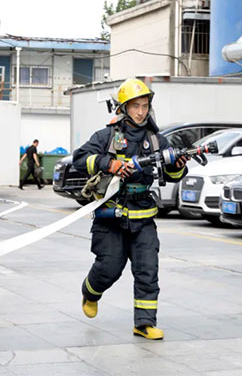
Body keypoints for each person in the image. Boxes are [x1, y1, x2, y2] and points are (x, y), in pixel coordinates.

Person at [72, 78, 188, 340]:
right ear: (124, 108)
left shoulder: (156, 140)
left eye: (144, 106)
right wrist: (109, 164)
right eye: (135, 106)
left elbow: (174, 174)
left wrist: (177, 165)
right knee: (109, 267)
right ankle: (90, 292)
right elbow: (79, 159)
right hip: (111, 216)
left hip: (143, 217)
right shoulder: (107, 137)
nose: (141, 112)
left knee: (148, 270)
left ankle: (144, 323)